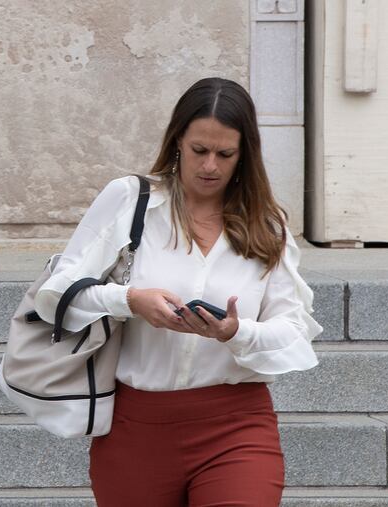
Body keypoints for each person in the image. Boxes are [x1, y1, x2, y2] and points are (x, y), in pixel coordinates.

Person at [33, 77, 320, 506]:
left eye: (225, 154)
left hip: (237, 424)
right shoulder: (131, 201)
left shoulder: (267, 223)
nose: (210, 166)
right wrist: (129, 300)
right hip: (137, 428)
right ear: (177, 143)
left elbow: (294, 332)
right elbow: (57, 294)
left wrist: (236, 333)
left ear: (245, 154)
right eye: (198, 150)